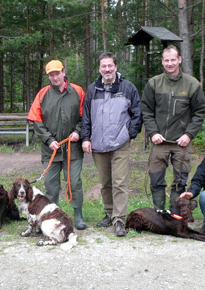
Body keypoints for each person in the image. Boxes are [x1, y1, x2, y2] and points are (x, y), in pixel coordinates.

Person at [81, 52, 142, 237]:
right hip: (98, 145)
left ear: (115, 66)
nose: (107, 69)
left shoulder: (128, 87)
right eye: (103, 66)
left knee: (120, 182)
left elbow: (137, 113)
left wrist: (129, 134)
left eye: (110, 65)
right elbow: (85, 116)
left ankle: (119, 220)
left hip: (120, 144)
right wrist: (86, 138)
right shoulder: (92, 90)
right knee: (105, 182)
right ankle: (109, 213)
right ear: (99, 69)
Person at [141, 45, 205, 211]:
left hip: (181, 142)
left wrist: (189, 134)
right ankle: (159, 212)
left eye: (173, 60)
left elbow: (199, 112)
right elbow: (146, 110)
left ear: (179, 60)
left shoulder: (192, 84)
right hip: (159, 141)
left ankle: (175, 215)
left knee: (180, 180)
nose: (170, 63)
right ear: (162, 62)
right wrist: (153, 132)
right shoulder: (153, 83)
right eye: (166, 60)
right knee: (156, 179)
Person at [27, 59, 87, 230]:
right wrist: (49, 140)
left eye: (57, 73)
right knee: (51, 185)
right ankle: (51, 216)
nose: (55, 77)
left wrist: (77, 131)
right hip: (50, 150)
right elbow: (36, 121)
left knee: (74, 182)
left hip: (72, 149)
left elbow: (85, 117)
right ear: (49, 76)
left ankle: (78, 214)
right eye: (51, 75)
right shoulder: (43, 94)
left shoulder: (78, 91)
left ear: (63, 72)